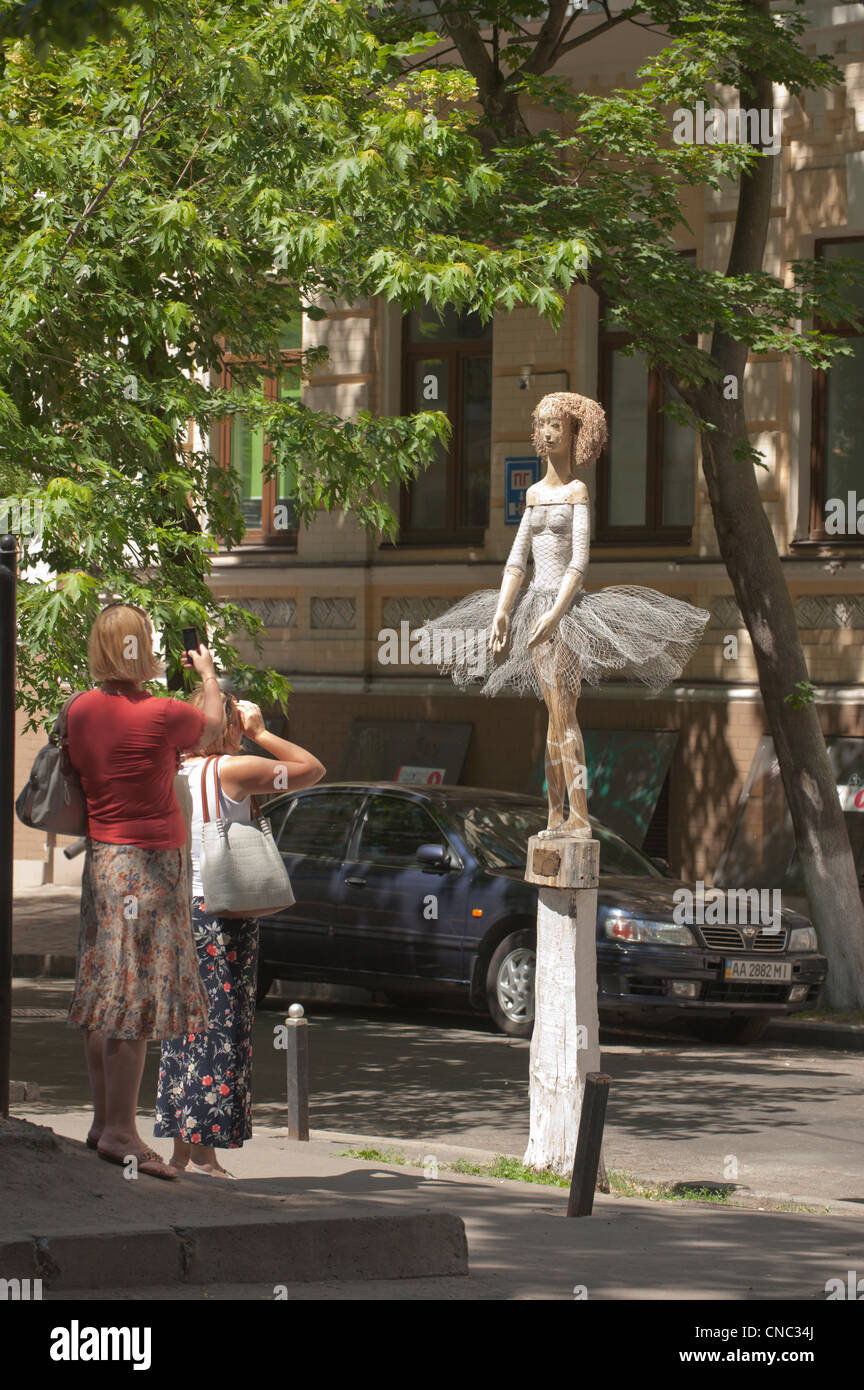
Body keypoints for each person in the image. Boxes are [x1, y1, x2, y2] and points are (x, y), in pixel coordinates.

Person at [418, 392, 709, 836]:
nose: (549, 431)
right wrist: (502, 610)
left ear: (575, 432)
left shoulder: (578, 491)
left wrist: (555, 614)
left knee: (563, 713)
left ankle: (577, 815)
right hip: (534, 607)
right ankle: (559, 814)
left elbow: (579, 561)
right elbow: (517, 559)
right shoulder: (534, 494)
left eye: (558, 424)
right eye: (543, 424)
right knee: (553, 714)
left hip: (566, 612)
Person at [66, 604, 225, 1179]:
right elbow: (211, 732)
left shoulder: (77, 709)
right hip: (150, 867)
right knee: (135, 999)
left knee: (106, 993)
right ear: (139, 647)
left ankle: (100, 1119)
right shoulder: (161, 713)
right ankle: (121, 1132)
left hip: (103, 864)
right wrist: (207, 674)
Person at [154, 684, 325, 1176]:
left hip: (181, 909)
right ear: (222, 723)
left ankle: (184, 1154)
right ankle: (204, 1159)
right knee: (219, 1030)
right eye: (234, 718)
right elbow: (312, 770)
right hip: (224, 913)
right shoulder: (232, 770)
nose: (241, 728)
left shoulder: (174, 769)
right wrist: (263, 732)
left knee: (184, 1031)